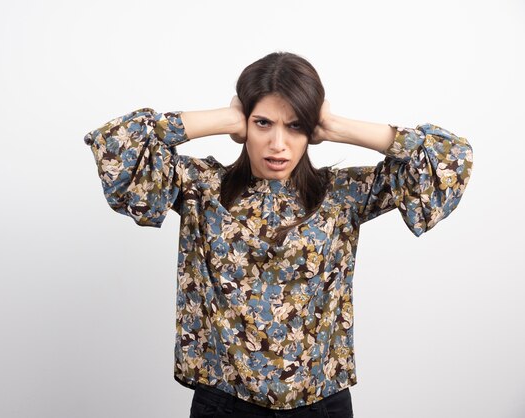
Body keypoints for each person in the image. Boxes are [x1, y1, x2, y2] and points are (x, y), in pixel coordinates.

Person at [83, 51, 473, 418]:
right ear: (246, 125)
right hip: (224, 399)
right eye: (263, 123)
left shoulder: (344, 194)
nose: (278, 144)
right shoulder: (199, 187)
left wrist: (336, 126)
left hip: (321, 401)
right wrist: (226, 118)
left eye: (295, 126)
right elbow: (118, 145)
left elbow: (447, 158)